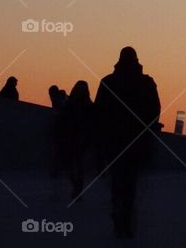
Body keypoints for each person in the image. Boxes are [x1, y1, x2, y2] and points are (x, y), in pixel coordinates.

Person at [94, 47, 161, 239]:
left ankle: (118, 211)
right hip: (137, 141)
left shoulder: (108, 82)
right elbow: (155, 109)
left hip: (114, 141)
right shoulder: (147, 82)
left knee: (117, 179)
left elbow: (99, 111)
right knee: (131, 182)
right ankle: (126, 220)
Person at [62, 80, 94, 199]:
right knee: (76, 164)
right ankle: (77, 186)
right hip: (77, 137)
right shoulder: (87, 105)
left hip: (76, 137)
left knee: (74, 163)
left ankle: (77, 187)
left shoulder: (71, 104)